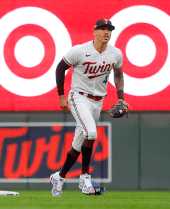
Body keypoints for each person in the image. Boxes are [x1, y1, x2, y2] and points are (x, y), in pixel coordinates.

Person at [51, 19, 128, 197]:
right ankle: (85, 178)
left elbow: (118, 74)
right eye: (102, 29)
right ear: (94, 32)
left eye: (109, 29)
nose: (106, 32)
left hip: (98, 101)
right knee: (91, 133)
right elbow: (60, 68)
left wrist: (121, 99)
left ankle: (59, 177)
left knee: (78, 143)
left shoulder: (115, 54)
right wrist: (61, 95)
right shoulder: (80, 50)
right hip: (78, 97)